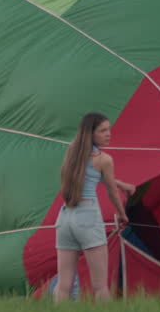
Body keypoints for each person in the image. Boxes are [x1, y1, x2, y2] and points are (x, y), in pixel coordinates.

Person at [53, 112, 132, 302]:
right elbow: (111, 192)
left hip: (64, 218)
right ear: (91, 133)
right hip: (87, 217)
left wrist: (122, 184)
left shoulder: (72, 151)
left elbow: (90, 177)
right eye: (103, 130)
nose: (109, 134)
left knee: (64, 284)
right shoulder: (104, 159)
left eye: (109, 129)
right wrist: (122, 214)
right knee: (100, 286)